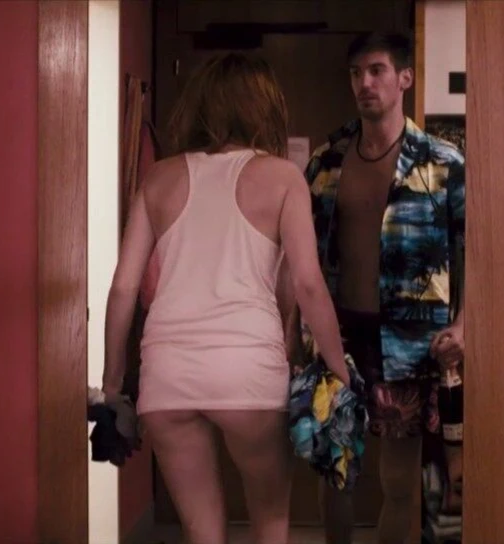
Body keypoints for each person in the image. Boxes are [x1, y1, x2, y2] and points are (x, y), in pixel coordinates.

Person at [100, 52, 352, 544]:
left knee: (202, 531)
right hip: (247, 369)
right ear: (266, 107)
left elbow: (124, 287)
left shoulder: (159, 178)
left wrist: (112, 386)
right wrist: (338, 368)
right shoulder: (282, 177)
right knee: (270, 520)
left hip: (167, 372)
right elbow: (306, 283)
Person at [288, 32, 467, 544]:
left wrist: (463, 324)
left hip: (409, 344)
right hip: (336, 337)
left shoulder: (443, 164)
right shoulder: (326, 163)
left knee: (398, 482)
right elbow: (298, 260)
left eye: (376, 70)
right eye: (355, 73)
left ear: (404, 77)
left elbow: (473, 253)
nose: (364, 83)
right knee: (335, 471)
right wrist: (292, 333)